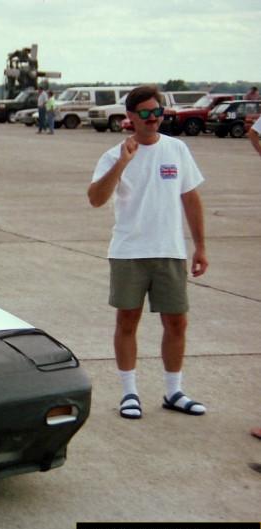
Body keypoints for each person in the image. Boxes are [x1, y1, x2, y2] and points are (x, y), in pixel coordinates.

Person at [87, 85, 208, 420]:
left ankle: (173, 391)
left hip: (170, 250)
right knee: (128, 320)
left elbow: (191, 199)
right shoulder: (114, 155)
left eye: (158, 112)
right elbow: (96, 198)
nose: (153, 118)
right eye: (145, 113)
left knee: (177, 322)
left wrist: (200, 246)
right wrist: (122, 164)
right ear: (130, 117)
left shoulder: (177, 149)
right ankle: (129, 393)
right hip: (129, 252)